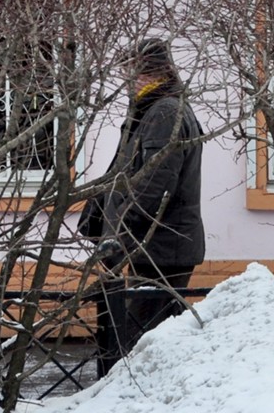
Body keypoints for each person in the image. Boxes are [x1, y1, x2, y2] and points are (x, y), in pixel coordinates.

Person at [80, 38, 204, 376]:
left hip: (161, 247)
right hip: (155, 247)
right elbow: (124, 172)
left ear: (148, 71)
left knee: (141, 348)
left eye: (129, 72)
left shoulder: (164, 112)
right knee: (149, 343)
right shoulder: (152, 109)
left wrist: (118, 232)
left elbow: (154, 185)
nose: (125, 81)